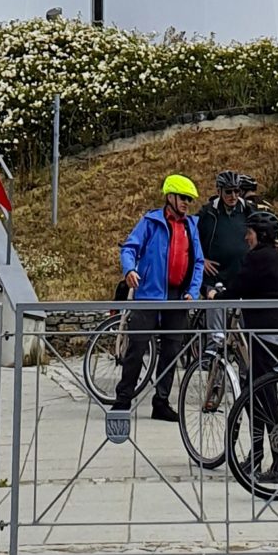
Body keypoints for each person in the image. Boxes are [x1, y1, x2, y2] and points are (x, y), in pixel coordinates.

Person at [112, 175, 204, 421]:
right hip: (149, 295)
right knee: (136, 349)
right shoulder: (151, 221)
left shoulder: (190, 225)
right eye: (184, 198)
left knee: (171, 351)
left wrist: (192, 292)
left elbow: (198, 262)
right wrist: (129, 269)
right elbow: (130, 247)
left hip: (177, 297)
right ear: (170, 197)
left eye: (190, 200)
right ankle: (123, 401)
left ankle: (160, 403)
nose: (187, 203)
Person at [215, 209, 278, 483]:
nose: (246, 238)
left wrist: (216, 295)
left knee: (263, 394)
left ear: (260, 235)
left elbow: (238, 287)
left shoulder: (256, 258)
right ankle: (258, 452)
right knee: (258, 390)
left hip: (261, 332)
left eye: (248, 233)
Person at [198, 174, 255, 297]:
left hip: (241, 273)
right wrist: (201, 259)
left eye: (237, 191)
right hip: (215, 276)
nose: (233, 196)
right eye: (228, 192)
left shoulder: (248, 210)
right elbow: (192, 238)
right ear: (219, 191)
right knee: (216, 313)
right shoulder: (207, 212)